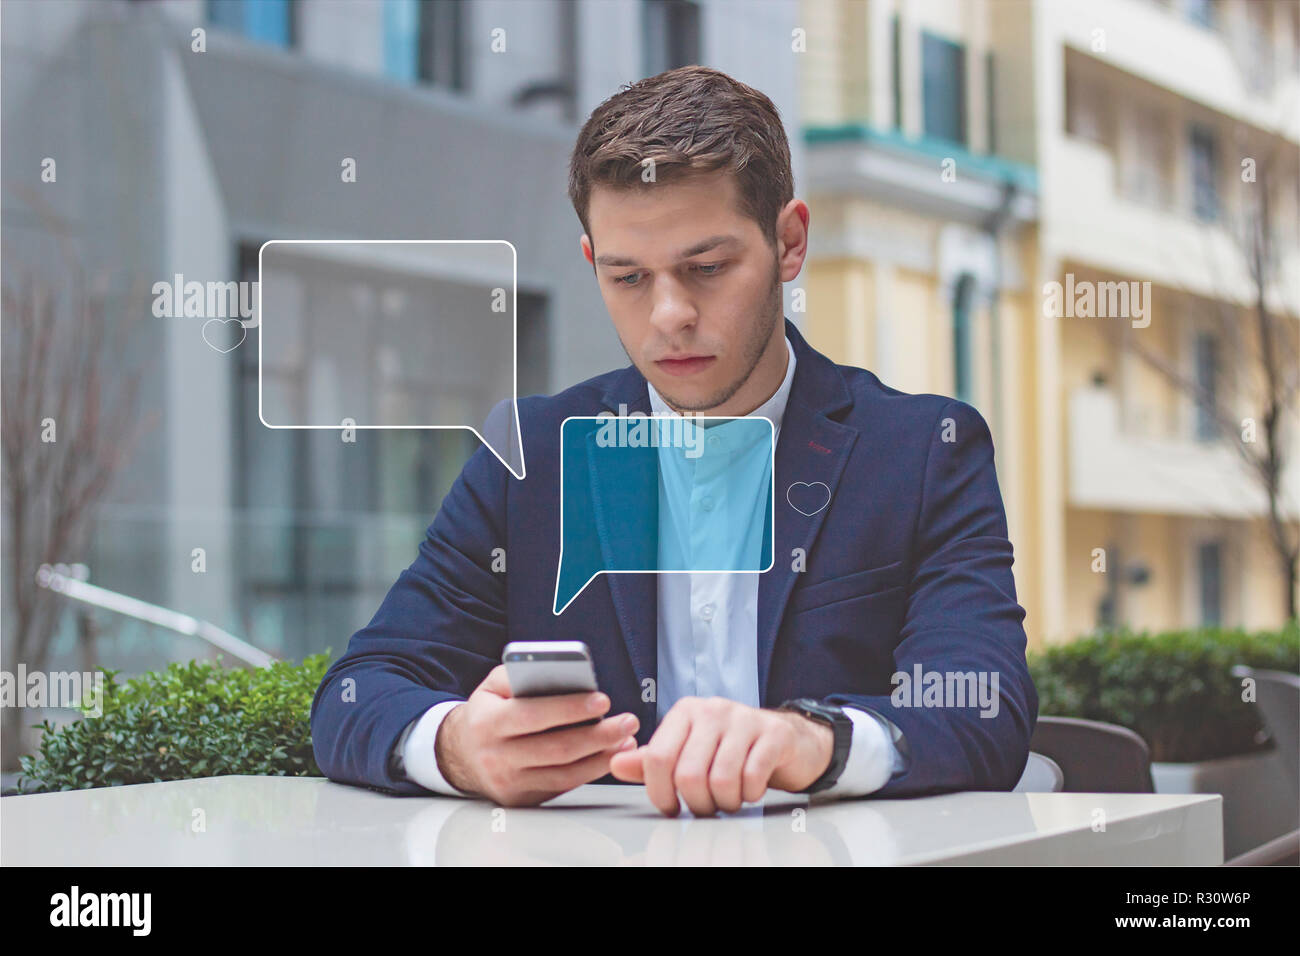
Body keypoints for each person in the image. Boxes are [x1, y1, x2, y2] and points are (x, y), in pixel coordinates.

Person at [310, 65, 1037, 817]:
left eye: (707, 268)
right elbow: (357, 690)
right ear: (593, 264)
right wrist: (461, 745)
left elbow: (984, 710)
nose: (669, 316)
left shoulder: (924, 452)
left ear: (790, 243)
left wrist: (811, 742)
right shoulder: (530, 457)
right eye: (628, 278)